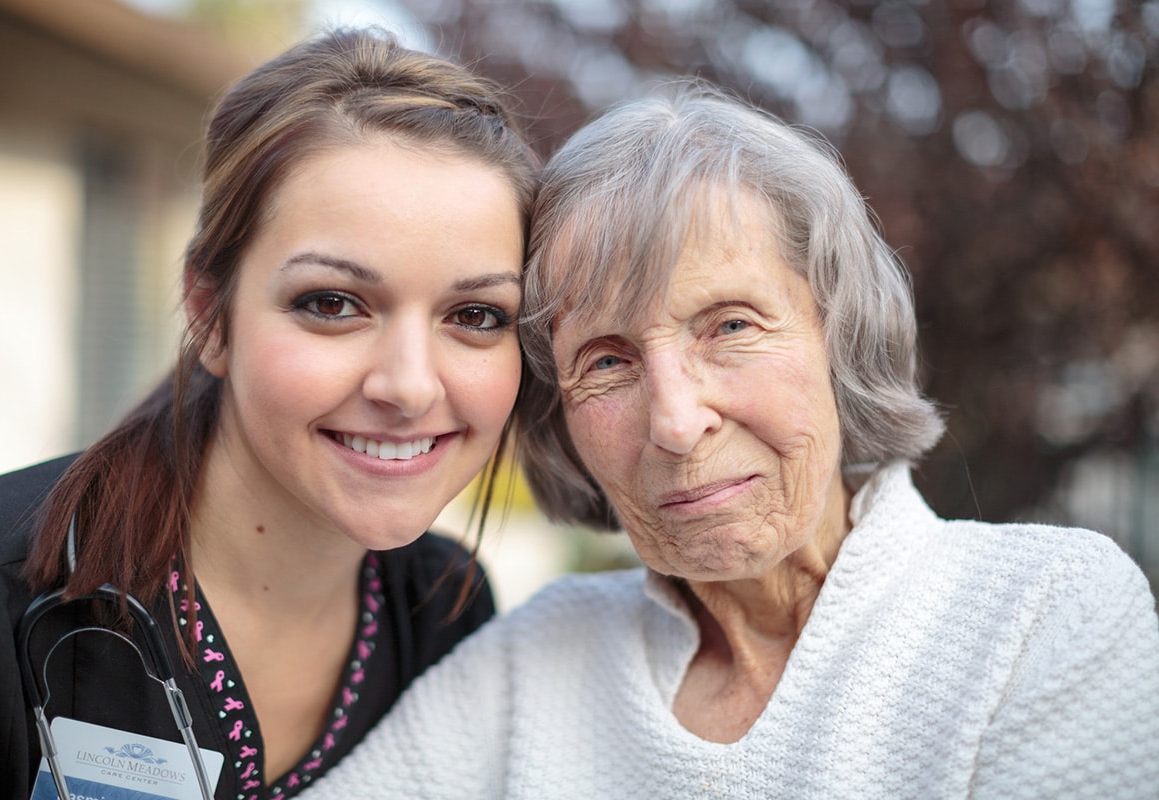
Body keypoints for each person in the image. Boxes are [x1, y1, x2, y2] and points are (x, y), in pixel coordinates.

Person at [297, 84, 1159, 799]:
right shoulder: (539, 658)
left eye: (730, 326)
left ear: (838, 333)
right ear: (557, 410)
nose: (676, 420)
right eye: (606, 361)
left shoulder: (1045, 615)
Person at [0, 28, 537, 799]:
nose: (410, 386)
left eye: (476, 315)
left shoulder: (445, 610)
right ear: (210, 313)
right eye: (332, 304)